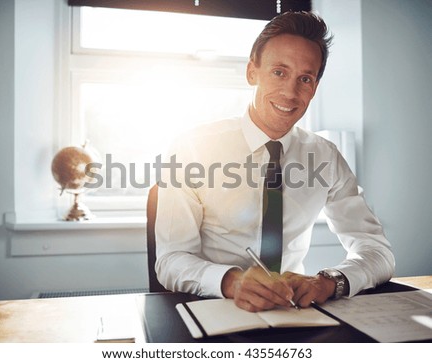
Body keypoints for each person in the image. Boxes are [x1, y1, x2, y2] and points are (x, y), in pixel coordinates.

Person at [154, 11, 395, 312]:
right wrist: (231, 281)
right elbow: (170, 261)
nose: (290, 93)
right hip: (213, 307)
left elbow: (378, 252)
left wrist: (329, 280)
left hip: (292, 313)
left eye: (304, 79)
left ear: (315, 88)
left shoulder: (325, 156)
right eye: (279, 72)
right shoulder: (192, 147)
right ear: (251, 72)